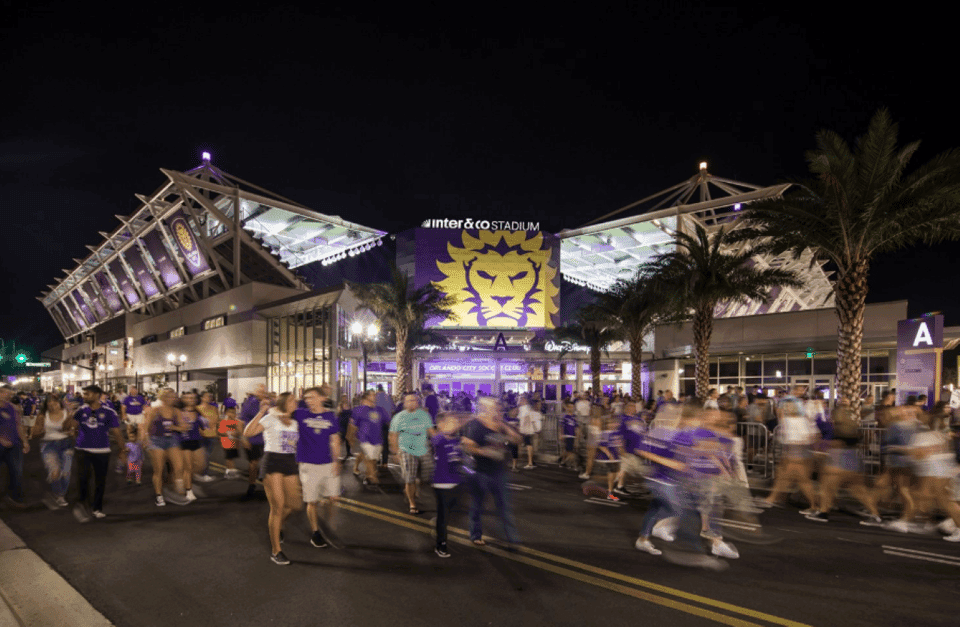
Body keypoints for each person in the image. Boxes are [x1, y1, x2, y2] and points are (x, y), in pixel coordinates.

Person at [244, 392, 303, 564]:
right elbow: (249, 432)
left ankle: (277, 527)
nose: (295, 402)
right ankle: (276, 551)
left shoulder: (294, 422)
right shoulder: (270, 418)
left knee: (294, 504)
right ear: (284, 403)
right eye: (292, 400)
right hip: (272, 462)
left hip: (290, 462)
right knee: (278, 507)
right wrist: (261, 412)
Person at [462, 397, 522, 548]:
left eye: (498, 408)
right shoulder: (476, 425)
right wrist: (484, 452)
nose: (498, 410)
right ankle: (476, 534)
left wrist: (503, 425)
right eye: (495, 408)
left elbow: (517, 439)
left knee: (503, 506)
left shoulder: (500, 425)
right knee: (477, 505)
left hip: (499, 471)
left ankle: (512, 538)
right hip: (480, 472)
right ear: (485, 409)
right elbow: (468, 447)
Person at [293, 387, 342, 550]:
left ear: (323, 398)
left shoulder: (330, 416)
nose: (308, 400)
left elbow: (335, 439)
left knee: (334, 497)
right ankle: (316, 532)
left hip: (328, 463)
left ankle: (329, 524)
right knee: (311, 501)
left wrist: (336, 461)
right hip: (308, 464)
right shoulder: (300, 414)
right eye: (306, 398)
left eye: (312, 397)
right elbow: (281, 409)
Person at [72, 385, 124, 521]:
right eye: (84, 394)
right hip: (82, 449)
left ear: (96, 395)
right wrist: (70, 413)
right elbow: (69, 426)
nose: (84, 396)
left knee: (100, 481)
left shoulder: (109, 412)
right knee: (83, 479)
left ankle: (97, 508)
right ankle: (83, 505)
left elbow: (117, 433)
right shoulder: (81, 410)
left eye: (87, 394)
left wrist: (122, 450)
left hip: (102, 450)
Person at [141, 388, 189, 507]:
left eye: (173, 397)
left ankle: (177, 489)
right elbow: (145, 426)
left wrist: (174, 427)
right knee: (159, 469)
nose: (172, 399)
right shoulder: (155, 410)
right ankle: (159, 495)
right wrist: (145, 439)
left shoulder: (176, 411)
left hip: (171, 440)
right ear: (162, 398)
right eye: (169, 397)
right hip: (156, 440)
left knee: (179, 467)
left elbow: (184, 427)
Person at [389, 393, 435, 514]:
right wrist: (395, 453)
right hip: (406, 450)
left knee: (427, 476)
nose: (411, 403)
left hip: (423, 449)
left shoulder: (424, 415)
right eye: (408, 401)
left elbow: (431, 431)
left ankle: (414, 486)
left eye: (413, 400)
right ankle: (412, 503)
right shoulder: (399, 417)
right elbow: (393, 435)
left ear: (417, 402)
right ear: (404, 403)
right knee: (409, 479)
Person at [31, 393, 77, 508]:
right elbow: (34, 433)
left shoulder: (67, 414)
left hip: (66, 444)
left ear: (60, 403)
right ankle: (57, 493)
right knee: (55, 471)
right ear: (46, 405)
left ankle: (61, 495)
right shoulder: (42, 416)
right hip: (48, 445)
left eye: (55, 403)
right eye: (49, 403)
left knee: (66, 472)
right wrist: (42, 431)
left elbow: (72, 429)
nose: (52, 405)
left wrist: (71, 431)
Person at [432, 412, 467, 558]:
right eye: (451, 422)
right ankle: (441, 545)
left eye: (455, 423)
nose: (454, 425)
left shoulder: (457, 440)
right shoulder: (439, 439)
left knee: (453, 513)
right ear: (441, 425)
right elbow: (436, 439)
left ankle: (438, 524)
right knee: (444, 516)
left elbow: (461, 458)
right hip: (441, 484)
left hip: (455, 482)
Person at [348, 390, 388, 487]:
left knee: (373, 459)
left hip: (378, 439)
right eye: (372, 394)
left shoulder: (380, 410)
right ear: (366, 397)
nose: (375, 396)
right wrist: (350, 437)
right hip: (364, 438)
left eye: (375, 395)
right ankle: (372, 476)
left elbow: (387, 421)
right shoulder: (358, 410)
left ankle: (361, 470)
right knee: (369, 459)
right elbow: (352, 426)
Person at [0, 385, 29, 508]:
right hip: (1, 444)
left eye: (10, 394)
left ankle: (14, 498)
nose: (9, 396)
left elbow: (19, 425)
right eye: (6, 393)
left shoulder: (13, 408)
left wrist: (25, 441)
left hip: (14, 444)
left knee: (16, 471)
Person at [239, 385, 269, 501]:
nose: (263, 393)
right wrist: (243, 438)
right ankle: (252, 484)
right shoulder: (250, 403)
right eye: (260, 391)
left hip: (266, 439)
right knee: (253, 463)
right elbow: (241, 421)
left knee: (266, 462)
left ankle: (266, 483)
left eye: (264, 391)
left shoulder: (270, 403)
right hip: (253, 438)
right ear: (256, 392)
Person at [178, 392, 206, 502]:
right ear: (183, 399)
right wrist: (180, 428)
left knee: (201, 465)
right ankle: (188, 490)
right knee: (188, 467)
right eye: (188, 398)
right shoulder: (179, 412)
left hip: (196, 440)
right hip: (184, 441)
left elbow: (203, 426)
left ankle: (185, 478)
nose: (191, 399)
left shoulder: (198, 412)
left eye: (193, 398)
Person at [195, 392, 219, 482]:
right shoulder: (197, 409)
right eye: (207, 396)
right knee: (203, 456)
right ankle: (202, 474)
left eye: (210, 396)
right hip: (201, 436)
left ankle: (200, 473)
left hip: (212, 435)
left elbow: (217, 421)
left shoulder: (214, 408)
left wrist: (218, 431)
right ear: (202, 398)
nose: (209, 397)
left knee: (207, 456)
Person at [518, 397, 543, 470]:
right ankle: (531, 461)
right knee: (530, 446)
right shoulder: (531, 411)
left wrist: (523, 429)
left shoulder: (529, 411)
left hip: (529, 431)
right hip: (531, 431)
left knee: (529, 446)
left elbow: (529, 420)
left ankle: (530, 463)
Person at [375, 385, 394, 466]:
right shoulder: (388, 397)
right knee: (385, 442)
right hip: (387, 423)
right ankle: (385, 462)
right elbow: (393, 409)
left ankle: (377, 458)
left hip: (377, 423)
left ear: (377, 389)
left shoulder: (375, 398)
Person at [559, 400, 579, 470]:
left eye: (572, 407)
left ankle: (563, 461)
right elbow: (561, 426)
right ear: (567, 408)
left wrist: (577, 437)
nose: (571, 408)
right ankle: (573, 464)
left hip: (572, 435)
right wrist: (561, 434)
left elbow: (576, 427)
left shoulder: (574, 417)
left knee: (568, 450)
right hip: (566, 435)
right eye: (569, 407)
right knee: (569, 451)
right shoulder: (564, 416)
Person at [336, 394, 353, 461]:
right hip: (342, 424)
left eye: (345, 397)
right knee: (342, 438)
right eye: (343, 397)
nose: (345, 399)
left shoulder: (349, 405)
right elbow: (338, 413)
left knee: (348, 438)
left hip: (348, 424)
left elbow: (351, 413)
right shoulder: (340, 405)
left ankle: (348, 452)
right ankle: (335, 451)